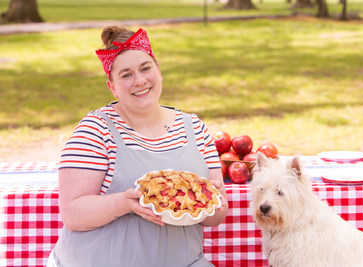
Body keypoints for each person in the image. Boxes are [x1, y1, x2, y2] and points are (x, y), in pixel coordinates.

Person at [46, 26, 228, 267]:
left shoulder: (194, 127)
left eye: (145, 68)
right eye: (126, 75)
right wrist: (125, 202)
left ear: (158, 71)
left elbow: (214, 217)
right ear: (111, 86)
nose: (140, 81)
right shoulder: (96, 130)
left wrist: (213, 203)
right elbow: (72, 214)